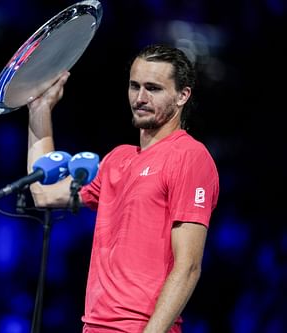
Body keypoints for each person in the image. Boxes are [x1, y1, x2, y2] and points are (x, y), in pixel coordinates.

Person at [25, 44, 220, 332]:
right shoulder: (117, 159)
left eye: (153, 88)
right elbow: (44, 192)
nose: (140, 98)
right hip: (93, 326)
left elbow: (188, 267)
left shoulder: (190, 157)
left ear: (183, 95)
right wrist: (40, 110)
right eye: (134, 86)